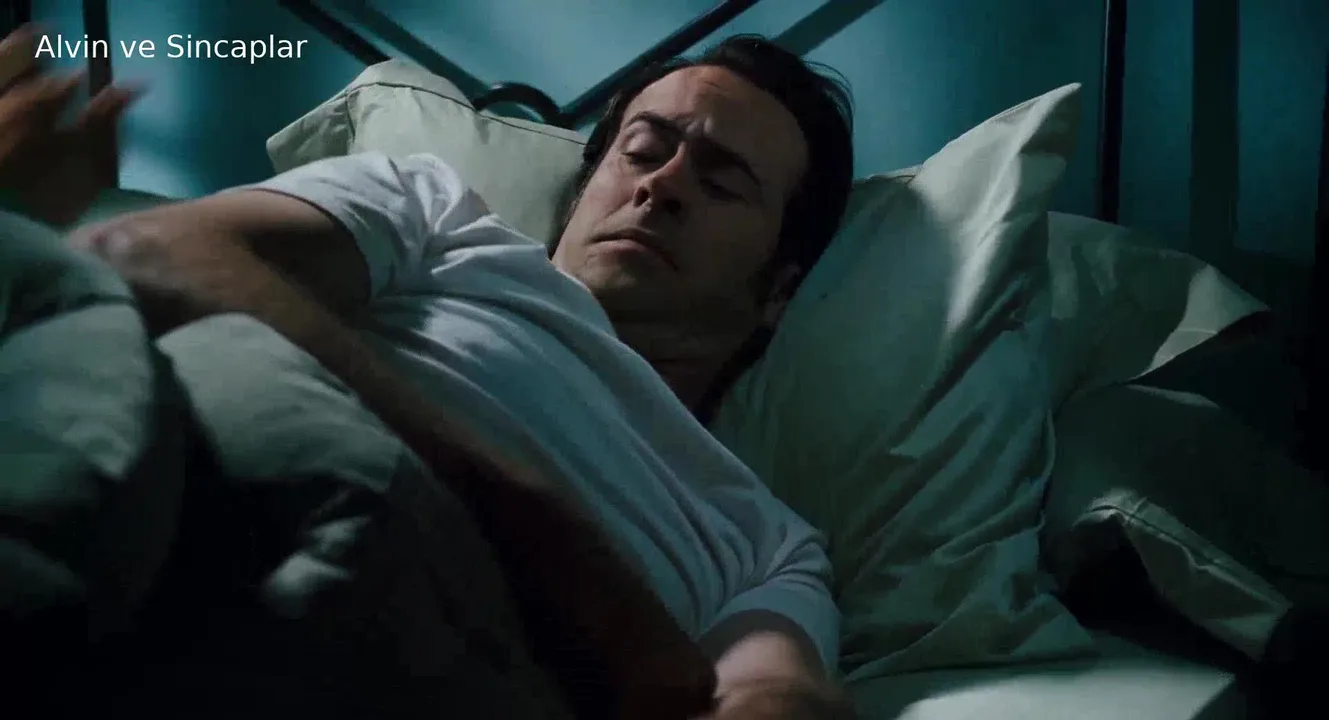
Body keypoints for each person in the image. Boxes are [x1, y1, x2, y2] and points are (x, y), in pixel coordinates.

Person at [1, 23, 855, 719]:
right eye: (641, 150)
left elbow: (767, 694)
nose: (661, 187)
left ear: (778, 291)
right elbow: (148, 256)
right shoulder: (437, 215)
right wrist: (562, 552)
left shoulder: (767, 546)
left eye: (721, 183)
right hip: (200, 495)